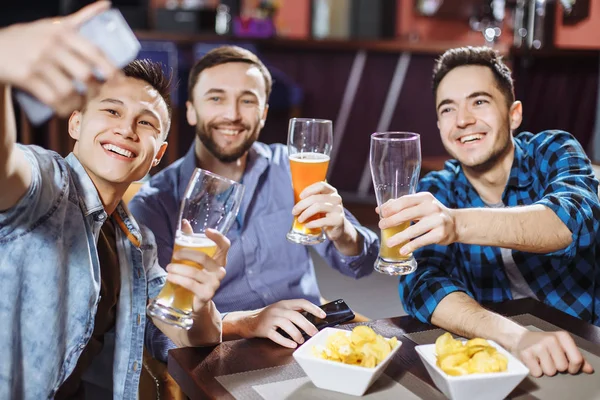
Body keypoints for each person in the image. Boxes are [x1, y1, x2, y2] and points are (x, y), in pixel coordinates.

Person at [0, 3, 229, 398]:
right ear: (76, 123)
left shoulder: (136, 243)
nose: (126, 129)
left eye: (146, 122)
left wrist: (201, 300)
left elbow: (192, 338)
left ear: (157, 154)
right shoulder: (45, 183)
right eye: (111, 110)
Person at [129, 45, 380, 349]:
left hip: (314, 338)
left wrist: (344, 233)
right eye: (216, 98)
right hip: (227, 353)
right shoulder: (155, 203)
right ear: (191, 111)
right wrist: (248, 322)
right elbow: (159, 333)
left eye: (247, 101)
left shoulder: (291, 166)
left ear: (263, 115)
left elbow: (362, 264)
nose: (232, 115)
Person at [378, 46, 599, 377]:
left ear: (514, 114)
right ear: (439, 126)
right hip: (502, 354)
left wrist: (456, 224)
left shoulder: (554, 149)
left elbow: (574, 223)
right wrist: (514, 337)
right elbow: (421, 284)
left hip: (587, 343)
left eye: (479, 102)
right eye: (448, 109)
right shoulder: (438, 188)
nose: (464, 120)